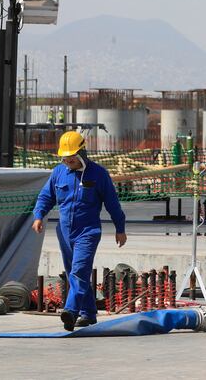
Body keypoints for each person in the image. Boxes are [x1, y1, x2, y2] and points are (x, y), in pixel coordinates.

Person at [32, 131, 127, 331]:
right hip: (64, 231)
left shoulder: (99, 174)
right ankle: (89, 313)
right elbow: (45, 197)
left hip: (88, 231)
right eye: (65, 157)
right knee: (74, 273)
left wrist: (120, 228)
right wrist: (39, 216)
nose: (68, 160)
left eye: (72, 156)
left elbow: (113, 204)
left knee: (79, 272)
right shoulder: (58, 172)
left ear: (82, 152)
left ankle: (71, 311)